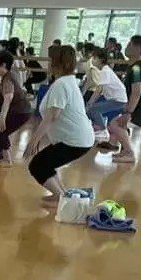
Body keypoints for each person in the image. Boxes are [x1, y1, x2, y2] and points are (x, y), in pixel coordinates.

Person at [22, 45, 94, 208]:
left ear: (57, 63)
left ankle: (60, 197)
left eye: (51, 61)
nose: (48, 64)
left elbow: (52, 116)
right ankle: (61, 194)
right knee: (45, 163)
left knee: (37, 165)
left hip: (76, 141)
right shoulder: (67, 81)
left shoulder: (61, 84)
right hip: (78, 139)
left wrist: (34, 141)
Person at [105, 34, 141, 164]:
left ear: (137, 48)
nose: (126, 47)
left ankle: (130, 153)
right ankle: (124, 151)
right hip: (139, 106)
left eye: (129, 44)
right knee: (117, 124)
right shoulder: (134, 66)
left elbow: (137, 92)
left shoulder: (137, 68)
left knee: (115, 124)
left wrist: (128, 112)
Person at [0, 49, 32, 164]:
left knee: (0, 132)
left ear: (3, 65)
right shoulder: (9, 75)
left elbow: (8, 98)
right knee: (0, 133)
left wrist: (2, 118)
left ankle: (7, 160)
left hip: (21, 112)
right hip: (22, 111)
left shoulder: (8, 79)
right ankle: (5, 158)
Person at [84, 48, 128, 132]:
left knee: (93, 109)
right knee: (91, 109)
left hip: (118, 101)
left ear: (101, 60)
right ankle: (98, 126)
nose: (92, 60)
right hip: (113, 99)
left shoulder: (105, 71)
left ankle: (102, 128)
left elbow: (99, 89)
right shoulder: (104, 70)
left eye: (94, 58)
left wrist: (89, 103)